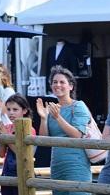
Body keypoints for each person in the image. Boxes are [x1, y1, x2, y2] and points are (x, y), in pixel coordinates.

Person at [36, 65, 91, 195]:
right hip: (57, 165)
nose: (58, 85)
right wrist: (44, 118)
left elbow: (77, 134)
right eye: (55, 82)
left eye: (62, 82)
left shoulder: (78, 106)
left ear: (71, 86)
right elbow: (44, 141)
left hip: (76, 165)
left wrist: (58, 117)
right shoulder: (51, 109)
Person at [0, 94, 35, 195]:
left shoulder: (29, 129)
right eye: (8, 109)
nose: (11, 113)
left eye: (15, 109)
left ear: (24, 110)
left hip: (23, 172)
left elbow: (23, 153)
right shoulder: (8, 127)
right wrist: (2, 138)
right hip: (7, 171)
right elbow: (1, 154)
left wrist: (6, 136)